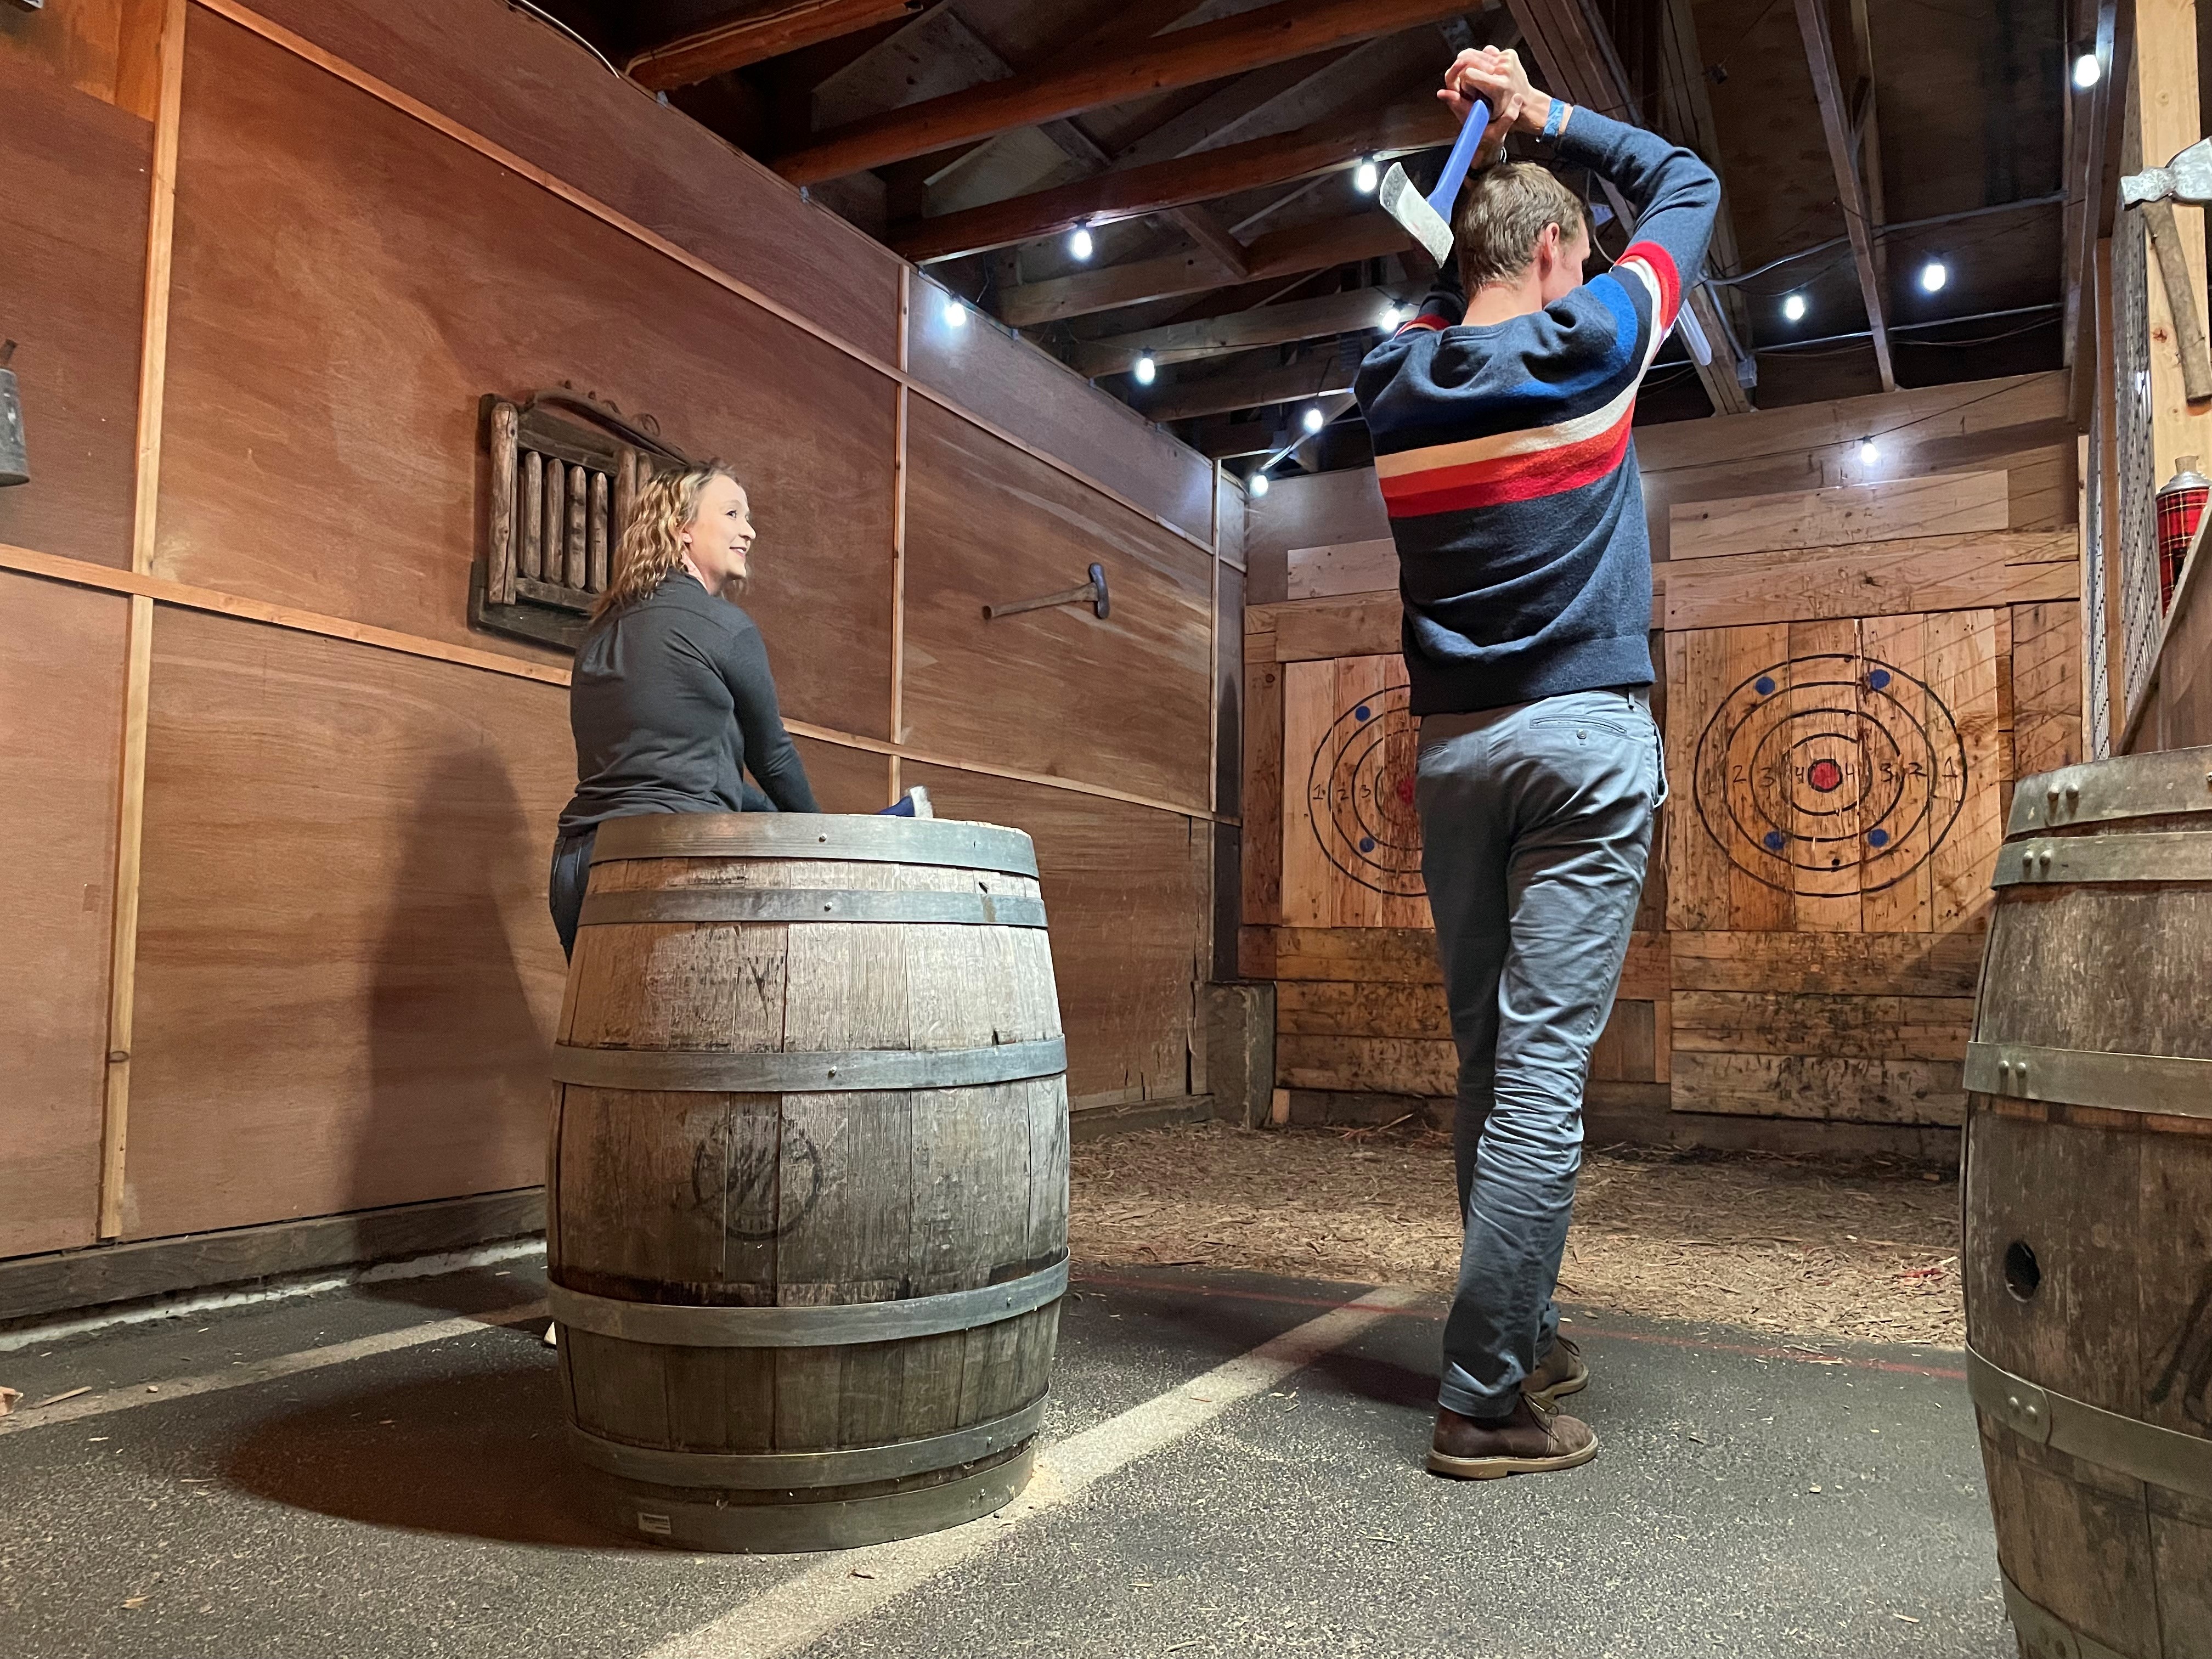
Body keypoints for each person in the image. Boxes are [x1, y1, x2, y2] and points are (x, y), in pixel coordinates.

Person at [1353, 47, 1717, 1479]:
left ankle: (1529, 1329)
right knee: (1541, 1080)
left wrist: (1481, 166)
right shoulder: (1596, 343)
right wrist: (1544, 114)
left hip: (1453, 760)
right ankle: (1484, 1399)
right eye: (1578, 252)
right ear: (1564, 251)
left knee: (1490, 1062)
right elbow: (1686, 182)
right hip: (1583, 747)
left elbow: (1450, 299)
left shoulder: (1393, 380)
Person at [548, 460, 819, 958]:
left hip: (581, 863)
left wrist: (770, 814)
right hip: (675, 862)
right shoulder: (724, 627)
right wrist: (828, 845)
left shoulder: (599, 632)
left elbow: (661, 767)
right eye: (733, 514)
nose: (750, 530)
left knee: (603, 1034)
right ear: (682, 528)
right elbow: (773, 758)